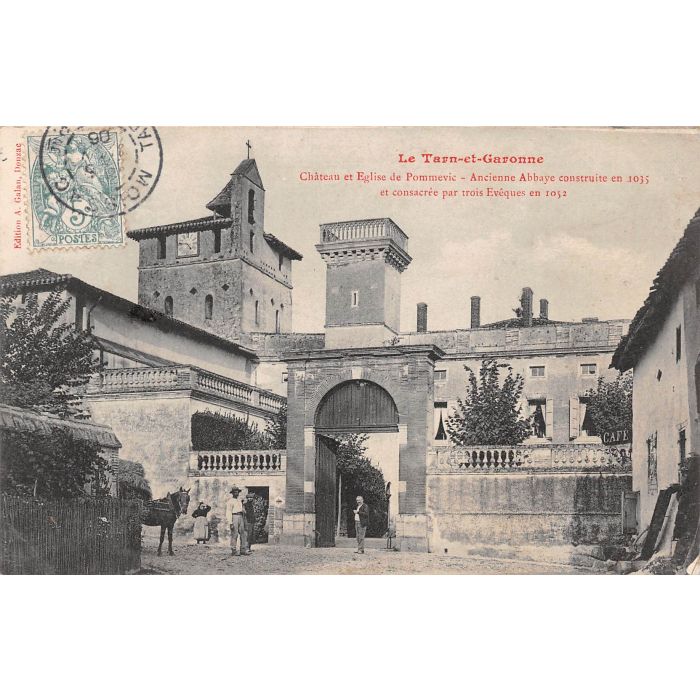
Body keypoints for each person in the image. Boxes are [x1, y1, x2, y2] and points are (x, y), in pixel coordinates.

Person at [225, 486, 249, 556]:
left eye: (237, 492)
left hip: (241, 517)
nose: (236, 493)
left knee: (243, 533)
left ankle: (243, 549)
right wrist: (230, 523)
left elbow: (242, 509)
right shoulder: (230, 501)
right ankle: (233, 550)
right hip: (234, 516)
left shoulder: (239, 500)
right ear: (232, 493)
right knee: (234, 534)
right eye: (235, 492)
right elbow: (228, 512)